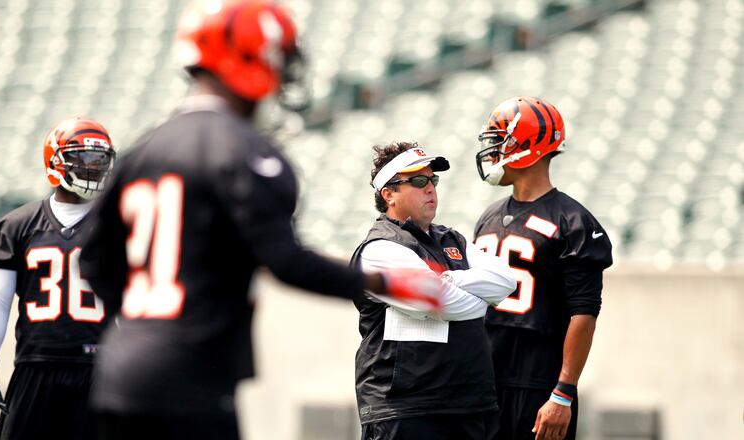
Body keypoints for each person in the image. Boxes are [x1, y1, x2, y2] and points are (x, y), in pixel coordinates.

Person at [78, 2, 445, 439]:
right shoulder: (246, 153)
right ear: (251, 60)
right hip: (194, 376)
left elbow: (94, 262)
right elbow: (286, 260)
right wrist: (384, 283)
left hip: (119, 374)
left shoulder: (142, 150)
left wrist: (145, 324)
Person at [350, 141, 518, 440]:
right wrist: (477, 296)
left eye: (432, 179)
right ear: (388, 194)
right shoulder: (379, 249)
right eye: (417, 181)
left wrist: (451, 280)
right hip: (405, 410)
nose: (430, 188)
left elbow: (506, 281)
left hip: (468, 405)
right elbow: (442, 301)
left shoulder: (452, 239)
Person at [472, 96, 613, 440]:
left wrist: (562, 393)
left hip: (538, 382)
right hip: (485, 379)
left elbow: (584, 314)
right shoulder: (488, 216)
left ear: (528, 144)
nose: (492, 151)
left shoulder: (574, 222)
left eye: (499, 140)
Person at [0, 116, 116, 440]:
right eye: (83, 157)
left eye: (100, 159)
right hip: (36, 365)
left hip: (100, 367)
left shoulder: (117, 224)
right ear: (56, 160)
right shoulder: (17, 225)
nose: (93, 167)